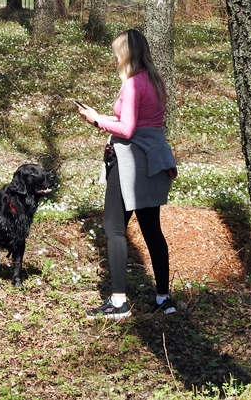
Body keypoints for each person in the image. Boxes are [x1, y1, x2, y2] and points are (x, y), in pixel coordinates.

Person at [75, 29, 178, 320]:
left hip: (131, 161)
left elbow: (128, 130)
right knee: (151, 229)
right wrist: (99, 117)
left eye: (116, 52)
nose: (114, 57)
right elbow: (141, 122)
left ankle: (118, 302)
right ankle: (163, 298)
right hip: (153, 159)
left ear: (127, 53)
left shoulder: (133, 85)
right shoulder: (155, 80)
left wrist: (98, 121)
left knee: (114, 228)